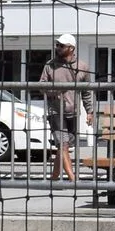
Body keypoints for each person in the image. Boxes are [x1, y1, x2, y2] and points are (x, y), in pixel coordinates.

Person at [40, 33, 91, 181]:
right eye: (57, 45)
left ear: (71, 48)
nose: (58, 47)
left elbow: (86, 92)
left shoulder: (82, 67)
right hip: (56, 111)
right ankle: (73, 179)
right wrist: (55, 90)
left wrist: (90, 112)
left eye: (61, 45)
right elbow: (41, 86)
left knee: (65, 147)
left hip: (73, 112)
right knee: (63, 145)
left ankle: (54, 177)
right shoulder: (50, 65)